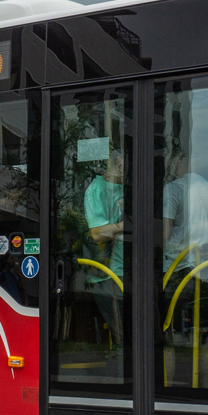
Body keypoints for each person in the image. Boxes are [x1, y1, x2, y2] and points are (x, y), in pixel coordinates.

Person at [83, 146, 126, 350]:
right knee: (126, 337)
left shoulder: (128, 186)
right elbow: (97, 233)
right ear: (119, 162)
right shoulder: (97, 189)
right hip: (108, 276)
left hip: (132, 270)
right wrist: (124, 227)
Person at [162, 152, 208, 271]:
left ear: (176, 162)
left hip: (177, 267)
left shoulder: (173, 189)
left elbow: (165, 234)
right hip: (205, 265)